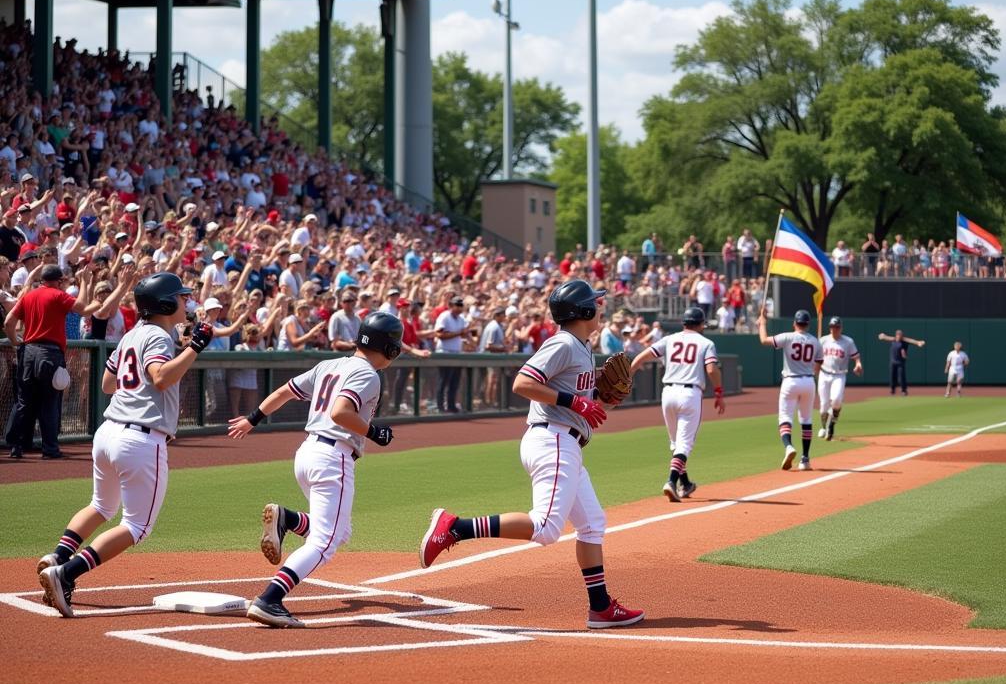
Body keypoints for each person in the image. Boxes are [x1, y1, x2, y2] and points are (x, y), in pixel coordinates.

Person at [417, 279, 644, 630]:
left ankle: (600, 607)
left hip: (563, 442)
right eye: (595, 304)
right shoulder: (564, 343)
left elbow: (572, 391)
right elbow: (522, 382)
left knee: (592, 523)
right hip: (552, 441)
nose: (600, 308)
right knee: (545, 528)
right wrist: (576, 401)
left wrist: (595, 394)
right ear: (582, 311)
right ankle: (455, 527)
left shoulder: (581, 347)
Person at [36, 274, 214, 616]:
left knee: (102, 505)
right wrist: (194, 348)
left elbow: (107, 384)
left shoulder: (132, 335)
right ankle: (66, 573)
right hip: (140, 439)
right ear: (163, 304)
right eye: (179, 298)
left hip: (109, 432)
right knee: (137, 527)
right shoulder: (160, 337)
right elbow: (161, 379)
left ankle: (58, 554)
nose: (185, 302)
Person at [225, 312, 402, 628]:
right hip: (333, 459)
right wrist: (374, 432)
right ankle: (270, 598)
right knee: (325, 542)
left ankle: (288, 519)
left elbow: (283, 392)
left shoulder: (330, 365)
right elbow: (340, 412)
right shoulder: (368, 374)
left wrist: (253, 418)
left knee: (339, 530)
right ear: (388, 347)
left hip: (307, 453)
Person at [630, 305, 725, 502]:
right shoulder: (706, 342)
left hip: (668, 394)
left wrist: (628, 375)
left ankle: (686, 483)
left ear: (684, 323)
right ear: (701, 324)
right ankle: (671, 481)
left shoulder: (669, 339)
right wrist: (718, 391)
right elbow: (711, 370)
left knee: (676, 443)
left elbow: (641, 357)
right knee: (684, 444)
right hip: (690, 394)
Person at [4, 264, 93, 459]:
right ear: (59, 281)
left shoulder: (29, 296)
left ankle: (16, 446)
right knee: (49, 402)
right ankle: (50, 448)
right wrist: (85, 282)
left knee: (24, 401)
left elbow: (8, 322)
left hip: (28, 351)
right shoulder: (57, 295)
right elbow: (83, 308)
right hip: (50, 353)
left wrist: (14, 342)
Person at [758, 308, 822, 471]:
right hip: (808, 381)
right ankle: (805, 459)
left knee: (785, 418)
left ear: (795, 323)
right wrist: (810, 375)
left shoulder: (787, 336)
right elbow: (818, 364)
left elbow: (764, 340)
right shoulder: (815, 341)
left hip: (790, 381)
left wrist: (762, 323)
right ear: (807, 324)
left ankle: (788, 446)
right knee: (806, 420)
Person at [817, 316, 863, 441]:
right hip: (824, 374)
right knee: (823, 406)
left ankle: (832, 424)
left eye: (837, 327)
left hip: (839, 374)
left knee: (836, 401)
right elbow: (815, 357)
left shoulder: (848, 341)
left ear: (841, 328)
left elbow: (856, 356)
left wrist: (858, 364)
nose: (834, 329)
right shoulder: (823, 340)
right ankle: (823, 427)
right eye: (832, 327)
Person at [878, 329, 925, 396]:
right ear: (896, 335)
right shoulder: (893, 340)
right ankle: (892, 390)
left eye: (901, 335)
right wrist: (883, 336)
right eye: (898, 334)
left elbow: (911, 340)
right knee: (892, 377)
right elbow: (886, 338)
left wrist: (918, 342)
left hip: (900, 362)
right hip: (893, 362)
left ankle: (904, 391)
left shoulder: (904, 341)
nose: (900, 336)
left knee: (901, 377)